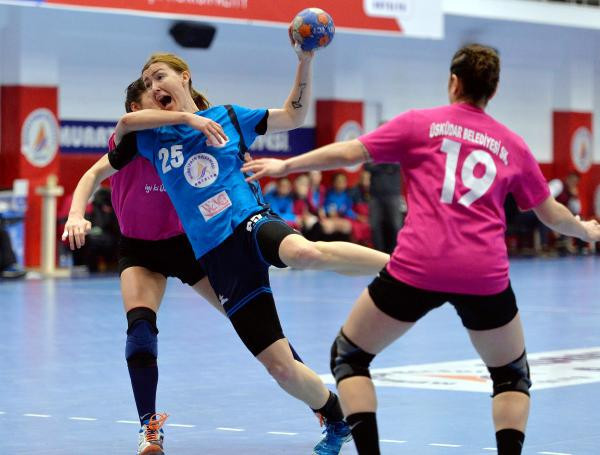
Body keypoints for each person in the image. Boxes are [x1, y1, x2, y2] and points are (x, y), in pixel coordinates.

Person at [241, 43, 600, 455]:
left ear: (453, 83)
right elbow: (551, 214)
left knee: (350, 357)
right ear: (493, 91)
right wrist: (585, 231)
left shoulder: (420, 124)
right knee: (510, 376)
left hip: (419, 265)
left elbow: (349, 152)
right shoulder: (513, 145)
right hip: (484, 272)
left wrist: (286, 165)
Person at [64, 42, 389, 454]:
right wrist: (76, 213)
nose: (154, 86)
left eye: (160, 77)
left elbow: (292, 116)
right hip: (172, 251)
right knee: (155, 335)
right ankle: (150, 428)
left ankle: (403, 268)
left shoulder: (225, 118)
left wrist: (304, 61)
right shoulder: (142, 139)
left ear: (184, 77)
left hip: (219, 234)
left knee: (302, 257)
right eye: (147, 83)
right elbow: (119, 134)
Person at [63, 78, 228, 455]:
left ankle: (324, 405)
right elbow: (92, 174)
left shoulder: (187, 141)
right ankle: (149, 429)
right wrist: (75, 215)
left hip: (188, 246)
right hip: (140, 251)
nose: (164, 104)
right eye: (154, 99)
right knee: (140, 337)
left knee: (253, 322)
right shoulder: (129, 140)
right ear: (136, 109)